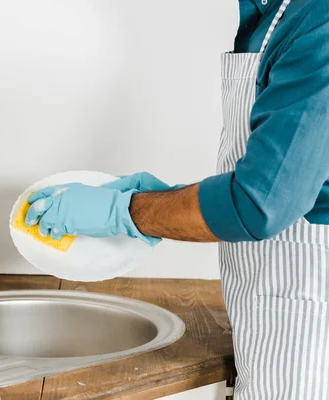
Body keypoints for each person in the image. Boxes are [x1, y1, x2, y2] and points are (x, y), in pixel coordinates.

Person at [24, 0, 329, 398]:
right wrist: (157, 199)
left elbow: (258, 204)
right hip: (275, 318)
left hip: (311, 336)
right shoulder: (271, 15)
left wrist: (129, 210)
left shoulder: (319, 22)